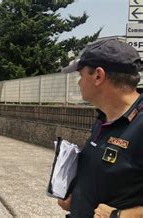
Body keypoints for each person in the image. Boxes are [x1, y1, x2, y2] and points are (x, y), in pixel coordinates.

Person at [57, 39, 143, 217]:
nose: (79, 83)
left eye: (81, 75)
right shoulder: (104, 119)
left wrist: (121, 215)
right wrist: (77, 196)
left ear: (98, 76)